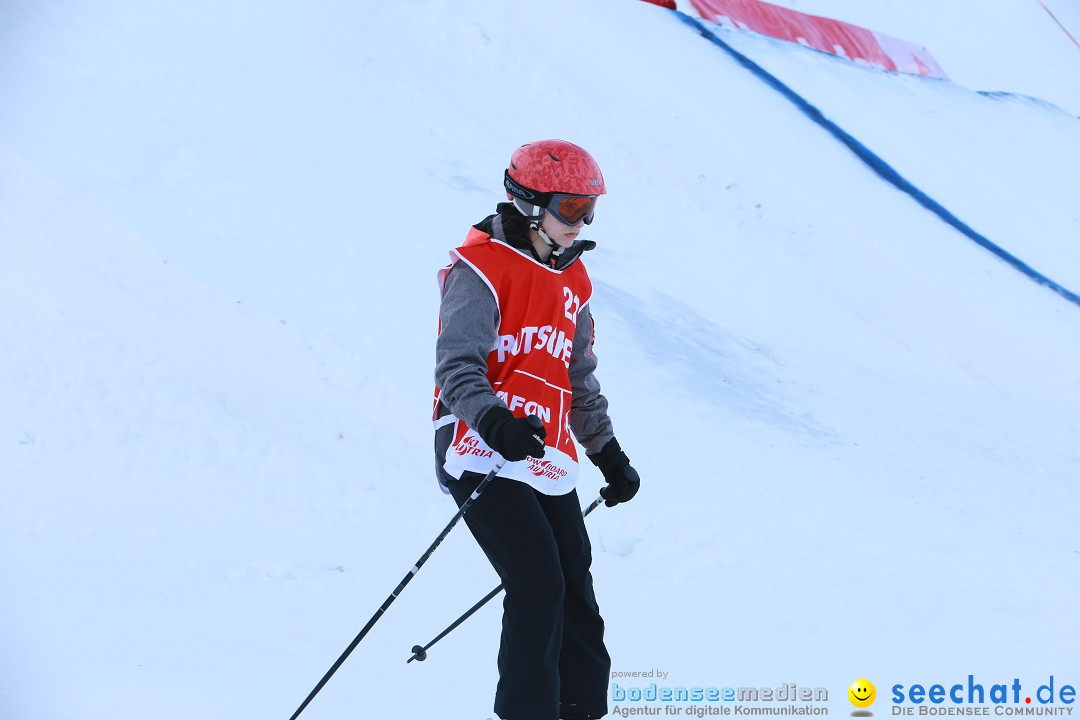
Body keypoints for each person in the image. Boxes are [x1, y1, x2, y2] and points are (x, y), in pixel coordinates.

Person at [432, 139, 641, 720]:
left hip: (542, 454)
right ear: (528, 204)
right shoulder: (481, 270)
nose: (584, 223)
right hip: (478, 447)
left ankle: (580, 710)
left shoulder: (574, 284)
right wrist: (494, 420)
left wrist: (608, 453)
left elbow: (579, 380)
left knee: (574, 580)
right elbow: (456, 367)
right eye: (572, 208)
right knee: (536, 579)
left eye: (590, 209)